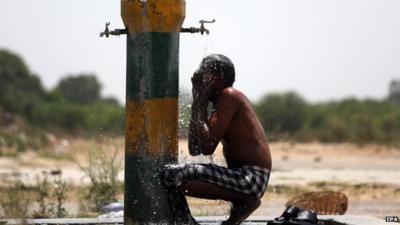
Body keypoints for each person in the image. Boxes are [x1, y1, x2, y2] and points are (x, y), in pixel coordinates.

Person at [161, 54, 272, 225]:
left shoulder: (229, 95)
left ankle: (244, 201)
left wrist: (200, 100)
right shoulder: (221, 101)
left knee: (171, 174)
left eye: (204, 75)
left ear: (217, 78)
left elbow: (207, 147)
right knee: (173, 176)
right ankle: (242, 204)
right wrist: (199, 102)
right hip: (242, 177)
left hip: (251, 178)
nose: (199, 79)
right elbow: (194, 148)